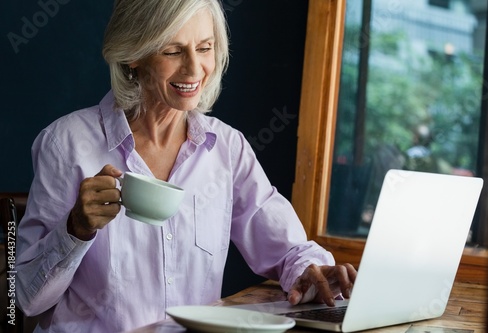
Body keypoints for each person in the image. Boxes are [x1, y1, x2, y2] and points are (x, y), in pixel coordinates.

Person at [16, 0, 357, 331]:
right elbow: (26, 299)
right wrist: (75, 229)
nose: (195, 69)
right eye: (173, 51)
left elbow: (288, 248)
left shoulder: (227, 148)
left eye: (205, 48)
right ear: (133, 54)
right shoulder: (66, 144)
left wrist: (313, 271)